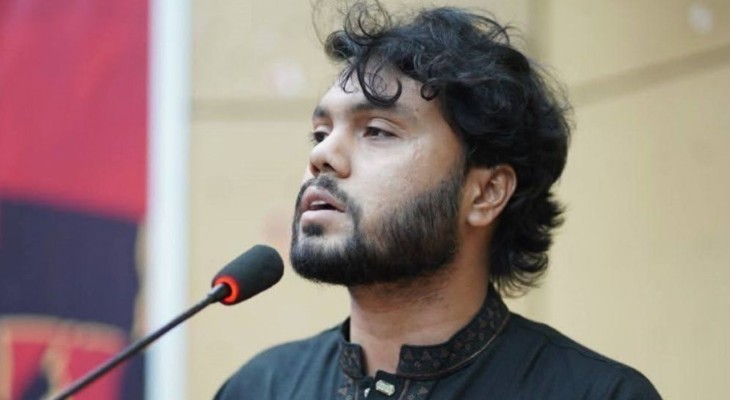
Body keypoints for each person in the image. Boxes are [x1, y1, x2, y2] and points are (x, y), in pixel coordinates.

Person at [215, 2, 661, 399]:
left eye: (377, 131)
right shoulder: (259, 388)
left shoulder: (597, 393)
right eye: (320, 133)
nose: (322, 156)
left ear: (485, 193)